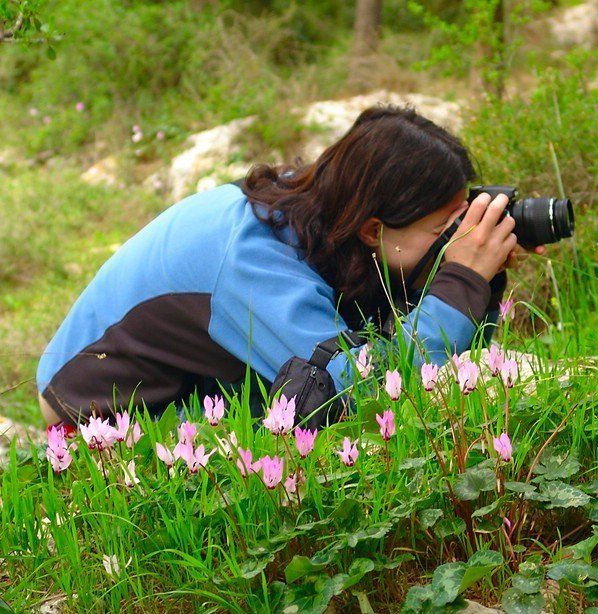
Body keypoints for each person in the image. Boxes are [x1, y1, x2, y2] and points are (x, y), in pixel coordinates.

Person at [36, 104, 543, 427]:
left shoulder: (323, 214)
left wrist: (481, 279)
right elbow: (362, 388)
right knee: (320, 415)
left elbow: (401, 345)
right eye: (443, 230)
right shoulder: (255, 258)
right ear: (373, 229)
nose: (456, 239)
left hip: (207, 380)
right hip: (102, 418)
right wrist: (460, 282)